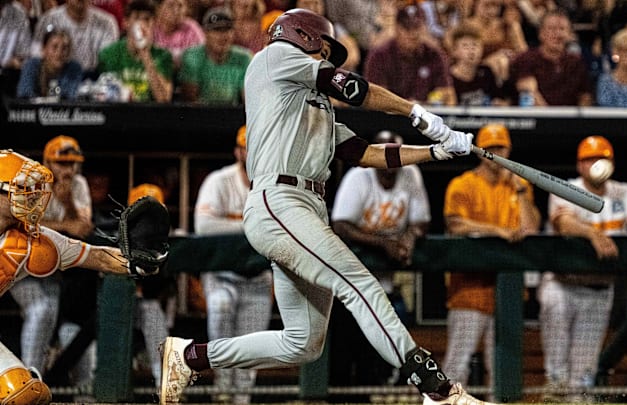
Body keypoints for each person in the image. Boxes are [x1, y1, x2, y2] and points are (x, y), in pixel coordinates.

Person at [158, 8, 487, 405]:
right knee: (358, 282)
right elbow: (352, 88)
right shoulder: (273, 57)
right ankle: (437, 391)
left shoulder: (307, 104)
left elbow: (366, 153)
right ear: (303, 36)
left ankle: (191, 356)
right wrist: (417, 113)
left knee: (303, 342)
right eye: (324, 50)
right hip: (279, 199)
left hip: (305, 207)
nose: (326, 59)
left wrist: (436, 152)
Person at [0, 149, 161, 405]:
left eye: (31, 189)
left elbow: (94, 256)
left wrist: (137, 263)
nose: (30, 197)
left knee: (21, 394)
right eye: (20, 188)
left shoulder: (31, 240)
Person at [539, 135, 627, 402]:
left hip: (599, 289)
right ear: (580, 165)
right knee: (557, 372)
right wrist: (590, 233)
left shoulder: (622, 192)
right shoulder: (565, 187)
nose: (596, 163)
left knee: (583, 375)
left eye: (602, 158)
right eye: (590, 159)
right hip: (562, 287)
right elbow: (563, 222)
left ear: (612, 163)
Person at [442, 124, 541, 398]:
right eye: (491, 148)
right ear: (480, 152)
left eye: (502, 147)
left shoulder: (519, 186)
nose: (497, 153)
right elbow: (455, 224)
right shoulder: (463, 184)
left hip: (507, 295)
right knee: (456, 366)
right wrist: (498, 231)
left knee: (501, 369)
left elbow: (531, 229)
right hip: (469, 290)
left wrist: (521, 191)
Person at [329, 129, 431, 386]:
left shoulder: (411, 174)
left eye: (395, 156)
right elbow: (340, 225)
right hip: (348, 280)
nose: (390, 162)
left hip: (385, 280)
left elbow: (421, 222)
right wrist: (383, 243)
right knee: (344, 348)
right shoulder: (358, 176)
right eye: (385, 155)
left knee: (374, 352)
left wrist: (409, 238)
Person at [193, 126, 273, 404]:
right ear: (238, 151)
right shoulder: (219, 181)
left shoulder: (274, 183)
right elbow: (203, 226)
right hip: (221, 275)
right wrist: (251, 225)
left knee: (251, 353)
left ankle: (239, 399)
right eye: (246, 147)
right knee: (219, 307)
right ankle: (222, 388)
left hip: (258, 278)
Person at [9, 135, 93, 383]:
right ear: (47, 162)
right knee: (42, 309)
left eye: (73, 163)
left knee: (51, 315)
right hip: (19, 263)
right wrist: (66, 225)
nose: (69, 169)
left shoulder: (79, 185)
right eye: (62, 163)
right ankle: (27, 381)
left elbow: (84, 227)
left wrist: (67, 202)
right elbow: (21, 223)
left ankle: (34, 378)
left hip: (51, 268)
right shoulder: (32, 181)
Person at [364, 4, 457, 106]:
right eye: (407, 28)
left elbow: (448, 95)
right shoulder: (380, 55)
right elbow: (374, 96)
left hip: (426, 114)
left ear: (424, 28)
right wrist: (405, 106)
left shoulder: (434, 55)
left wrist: (431, 101)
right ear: (397, 29)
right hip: (390, 115)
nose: (412, 34)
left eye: (416, 28)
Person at [127, 183, 173, 389]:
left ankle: (164, 384)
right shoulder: (114, 236)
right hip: (103, 316)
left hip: (147, 314)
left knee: (152, 311)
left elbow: (167, 290)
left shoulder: (165, 243)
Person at [509, 10, 593, 106]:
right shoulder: (526, 59)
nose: (557, 34)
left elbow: (585, 97)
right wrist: (552, 119)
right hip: (538, 117)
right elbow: (528, 93)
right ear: (541, 34)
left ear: (570, 35)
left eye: (562, 29)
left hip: (569, 118)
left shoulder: (577, 62)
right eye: (552, 29)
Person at [96, 0, 173, 103]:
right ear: (126, 23)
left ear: (154, 24)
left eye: (147, 19)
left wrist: (145, 55)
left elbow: (163, 98)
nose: (142, 24)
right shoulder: (109, 54)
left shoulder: (163, 56)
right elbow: (103, 96)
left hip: (150, 115)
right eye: (136, 18)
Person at [177, 7, 252, 105]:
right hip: (200, 116)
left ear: (233, 33)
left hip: (233, 116)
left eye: (227, 30)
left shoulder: (244, 58)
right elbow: (190, 101)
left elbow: (249, 101)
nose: (223, 36)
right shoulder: (192, 57)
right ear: (205, 33)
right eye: (217, 30)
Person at [31, 0, 119, 76]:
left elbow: (110, 61)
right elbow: (36, 55)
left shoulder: (107, 23)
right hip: (58, 77)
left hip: (95, 78)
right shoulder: (49, 19)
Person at [288, 0, 361, 72]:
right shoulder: (288, 28)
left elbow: (353, 57)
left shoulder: (334, 28)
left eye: (316, 3)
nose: (311, 8)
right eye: (306, 4)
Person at [448, 22, 509, 106]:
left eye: (475, 45)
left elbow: (499, 99)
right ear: (454, 51)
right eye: (465, 46)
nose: (471, 50)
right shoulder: (448, 78)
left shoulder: (487, 72)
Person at [16, 28, 83, 100]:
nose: (59, 53)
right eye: (54, 47)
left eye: (64, 48)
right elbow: (24, 94)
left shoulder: (74, 68)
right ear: (44, 49)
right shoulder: (31, 65)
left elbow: (70, 96)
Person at [152, 0, 204, 70]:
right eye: (171, 5)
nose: (176, 10)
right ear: (158, 8)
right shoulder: (151, 28)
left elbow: (201, 57)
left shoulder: (192, 28)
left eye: (180, 6)